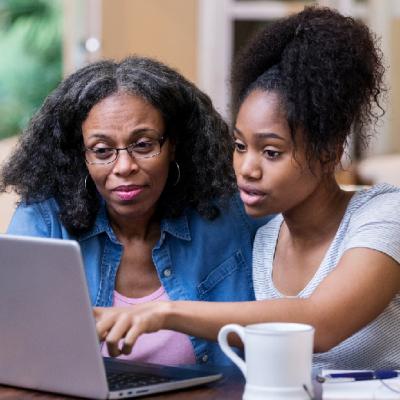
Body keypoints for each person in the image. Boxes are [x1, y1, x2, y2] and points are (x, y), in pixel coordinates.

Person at [94, 7, 400, 370]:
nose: (246, 169)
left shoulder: (384, 215)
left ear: (329, 151)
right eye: (240, 146)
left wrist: (164, 312)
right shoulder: (263, 239)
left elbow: (321, 323)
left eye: (271, 152)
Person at [0, 56, 267, 366]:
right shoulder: (44, 222)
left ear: (174, 145)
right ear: (81, 155)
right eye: (102, 151)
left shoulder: (231, 213)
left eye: (143, 145)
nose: (124, 167)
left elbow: (297, 315)